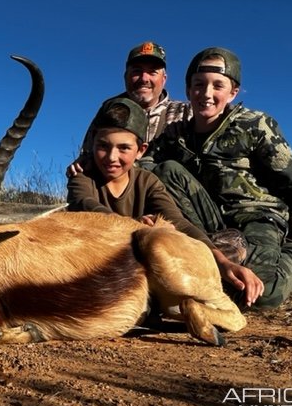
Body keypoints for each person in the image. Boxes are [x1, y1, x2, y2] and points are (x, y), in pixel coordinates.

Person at [143, 47, 292, 308]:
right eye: (198, 85)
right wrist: (90, 168)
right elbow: (142, 168)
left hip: (258, 218)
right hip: (213, 222)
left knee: (262, 297)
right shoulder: (175, 134)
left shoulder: (255, 125)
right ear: (188, 90)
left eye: (217, 85)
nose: (207, 94)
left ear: (233, 92)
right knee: (166, 171)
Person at [67, 97, 264, 307]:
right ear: (92, 143)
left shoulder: (147, 181)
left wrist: (222, 262)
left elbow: (178, 221)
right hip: (99, 264)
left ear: (141, 150)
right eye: (103, 146)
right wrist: (136, 226)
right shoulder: (83, 178)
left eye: (124, 148)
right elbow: (85, 205)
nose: (111, 157)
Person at [67, 41, 190, 177]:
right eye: (137, 71)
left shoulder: (184, 112)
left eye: (152, 72)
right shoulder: (109, 109)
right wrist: (83, 162)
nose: (144, 78)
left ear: (164, 79)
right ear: (126, 77)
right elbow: (88, 152)